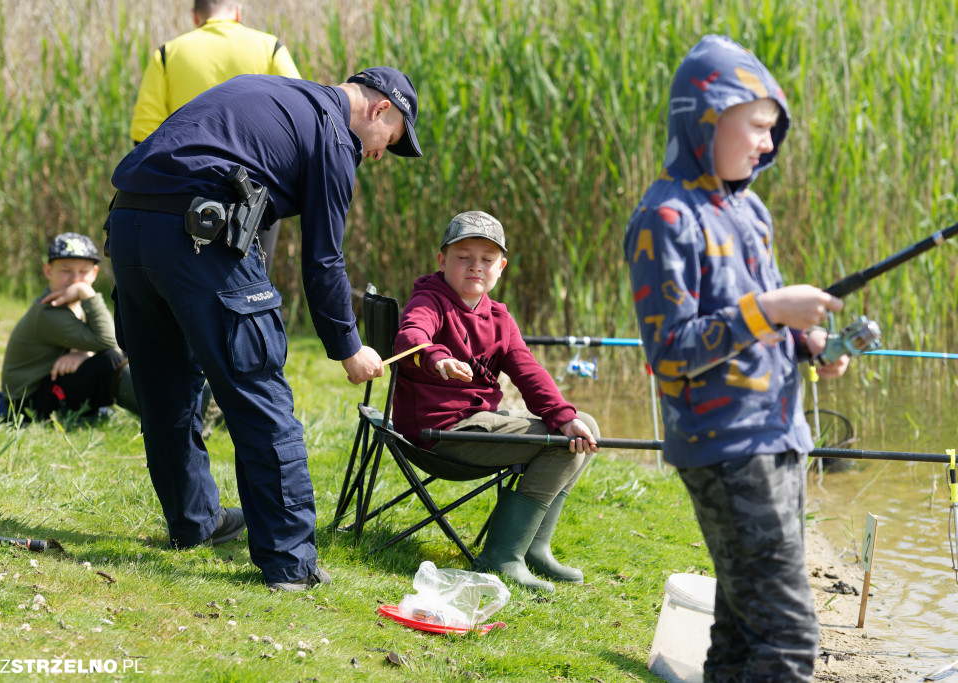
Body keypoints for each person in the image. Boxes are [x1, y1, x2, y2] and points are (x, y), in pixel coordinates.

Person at [105, 66, 422, 591]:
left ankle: (194, 523)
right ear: (379, 109)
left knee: (165, 389)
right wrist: (347, 347)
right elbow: (324, 260)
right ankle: (290, 563)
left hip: (129, 224)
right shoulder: (333, 133)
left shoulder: (273, 92)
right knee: (259, 395)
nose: (378, 155)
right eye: (387, 143)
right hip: (195, 232)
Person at [622, 35, 850, 681]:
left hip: (779, 436)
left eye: (772, 130)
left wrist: (805, 345)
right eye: (755, 126)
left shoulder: (751, 211)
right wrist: (773, 311)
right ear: (704, 116)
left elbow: (754, 316)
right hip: (727, 447)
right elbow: (670, 354)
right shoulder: (665, 216)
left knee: (743, 629)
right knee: (788, 635)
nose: (767, 144)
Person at [392, 211, 600, 593]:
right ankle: (502, 556)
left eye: (487, 259)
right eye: (463, 256)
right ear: (442, 261)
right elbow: (411, 336)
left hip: (476, 425)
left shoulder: (499, 318)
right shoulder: (429, 301)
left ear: (501, 267)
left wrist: (563, 415)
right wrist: (437, 358)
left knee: (581, 426)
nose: (476, 267)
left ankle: (534, 546)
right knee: (561, 444)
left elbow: (528, 371)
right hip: (438, 433)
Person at [129, 0, 302, 272]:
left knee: (188, 283)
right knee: (253, 281)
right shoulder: (270, 48)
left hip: (185, 191)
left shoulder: (168, 54)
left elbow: (144, 135)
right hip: (256, 192)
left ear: (195, 16)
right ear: (237, 11)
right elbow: (299, 117)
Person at [1, 232, 138, 420]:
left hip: (50, 385)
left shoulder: (75, 304)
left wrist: (85, 354)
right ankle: (160, 414)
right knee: (109, 360)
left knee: (128, 347)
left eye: (83, 272)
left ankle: (161, 407)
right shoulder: (48, 312)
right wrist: (86, 292)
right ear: (48, 271)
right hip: (28, 405)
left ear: (94, 273)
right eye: (66, 271)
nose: (75, 279)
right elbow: (110, 342)